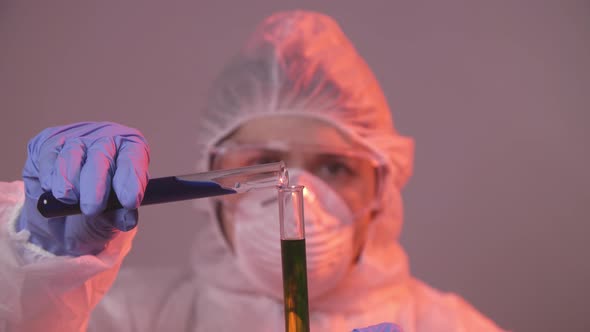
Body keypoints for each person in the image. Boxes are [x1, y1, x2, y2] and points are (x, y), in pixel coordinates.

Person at [0, 10, 505, 332]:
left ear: (382, 190)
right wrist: (40, 266)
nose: (301, 191)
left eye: (333, 167)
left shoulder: (454, 326)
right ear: (211, 174)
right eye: (262, 164)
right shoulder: (118, 317)